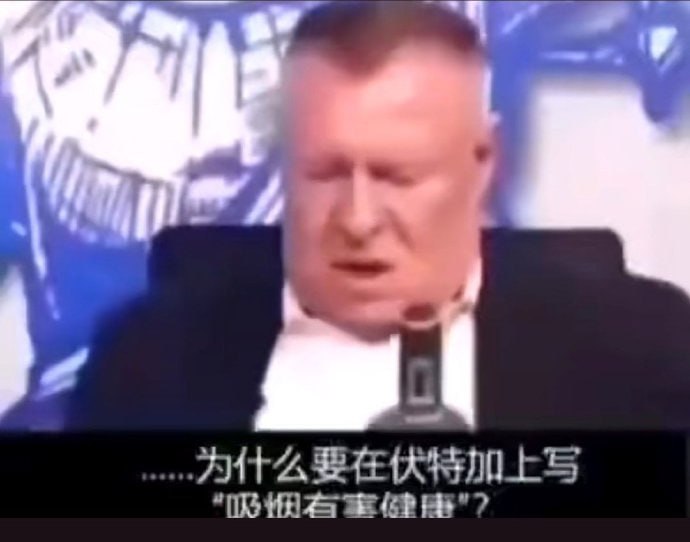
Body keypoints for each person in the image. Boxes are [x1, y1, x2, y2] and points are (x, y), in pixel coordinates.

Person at [67, 0, 690, 431]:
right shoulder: (147, 362)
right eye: (326, 172)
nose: (359, 220)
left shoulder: (644, 357)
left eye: (398, 177)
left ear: (484, 161)